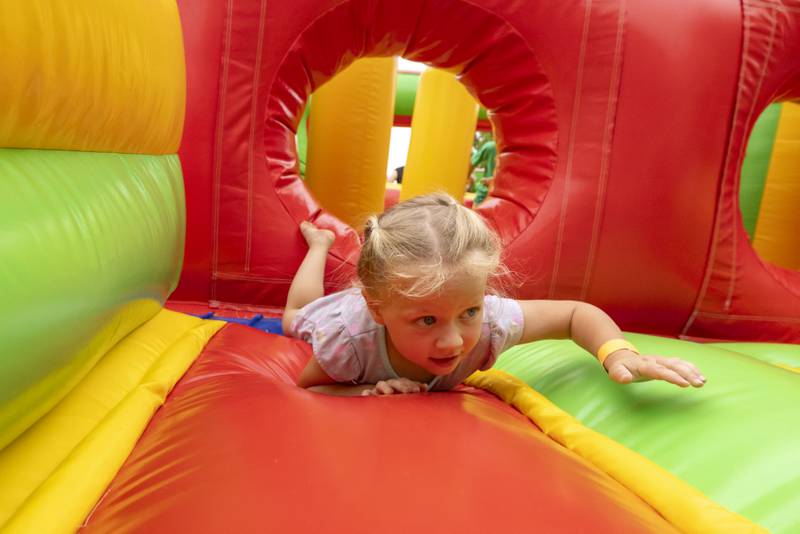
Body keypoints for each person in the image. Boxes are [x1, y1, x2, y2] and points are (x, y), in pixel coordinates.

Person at [282, 193, 706, 396]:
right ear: (379, 310)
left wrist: (619, 354)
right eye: (427, 320)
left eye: (468, 310)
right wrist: (365, 392)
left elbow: (576, 314)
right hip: (336, 314)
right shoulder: (348, 344)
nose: (454, 340)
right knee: (295, 317)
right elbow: (310, 389)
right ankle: (320, 246)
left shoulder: (491, 324)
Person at [468, 140, 496, 205]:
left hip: (484, 194)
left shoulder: (490, 146)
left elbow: (471, 164)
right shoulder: (516, 149)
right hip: (502, 195)